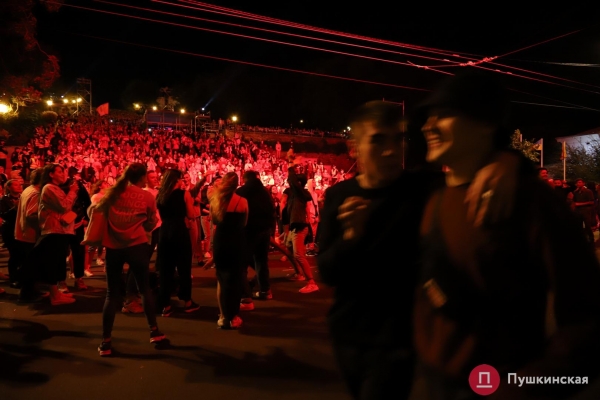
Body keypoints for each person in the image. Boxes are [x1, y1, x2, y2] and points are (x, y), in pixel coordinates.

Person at [412, 70, 600, 399]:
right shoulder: (431, 198)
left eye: (445, 114)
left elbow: (587, 324)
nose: (428, 126)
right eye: (429, 116)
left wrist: (521, 387)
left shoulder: (532, 203)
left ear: (486, 123)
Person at [317, 99, 520, 400]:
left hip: (399, 339)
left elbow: (477, 169)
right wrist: (350, 237)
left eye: (398, 139)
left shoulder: (422, 187)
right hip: (347, 333)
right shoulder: (339, 196)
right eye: (378, 140)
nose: (391, 151)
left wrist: (508, 161)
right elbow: (327, 272)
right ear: (355, 147)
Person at [93, 163, 165, 356]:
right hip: (137, 245)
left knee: (111, 294)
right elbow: (151, 222)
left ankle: (106, 341)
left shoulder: (112, 193)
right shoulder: (147, 196)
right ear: (142, 177)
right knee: (144, 290)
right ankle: (154, 331)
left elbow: (96, 212)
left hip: (114, 247)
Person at [156, 168, 200, 317]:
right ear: (176, 180)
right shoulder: (184, 194)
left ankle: (166, 304)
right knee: (184, 268)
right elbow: (191, 214)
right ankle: (187, 301)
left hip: (164, 232)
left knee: (165, 269)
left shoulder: (160, 195)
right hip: (179, 230)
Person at [210, 172, 248, 329]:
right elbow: (244, 223)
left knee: (221, 278)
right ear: (237, 184)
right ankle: (234, 315)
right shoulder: (242, 201)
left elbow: (214, 221)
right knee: (236, 278)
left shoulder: (216, 200)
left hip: (221, 240)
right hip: (236, 241)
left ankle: (223, 315)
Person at [236, 170, 275, 305]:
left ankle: (246, 296)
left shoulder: (241, 192)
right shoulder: (265, 192)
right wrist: (271, 230)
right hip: (265, 230)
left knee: (242, 263)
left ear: (244, 179)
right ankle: (265, 290)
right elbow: (272, 210)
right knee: (261, 261)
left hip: (248, 230)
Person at [285, 155, 319, 294]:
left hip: (299, 227)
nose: (290, 183)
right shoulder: (296, 194)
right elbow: (291, 180)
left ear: (298, 183)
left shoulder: (300, 193)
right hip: (295, 227)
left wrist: (291, 164)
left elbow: (292, 179)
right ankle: (299, 273)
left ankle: (311, 282)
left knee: (299, 254)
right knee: (288, 248)